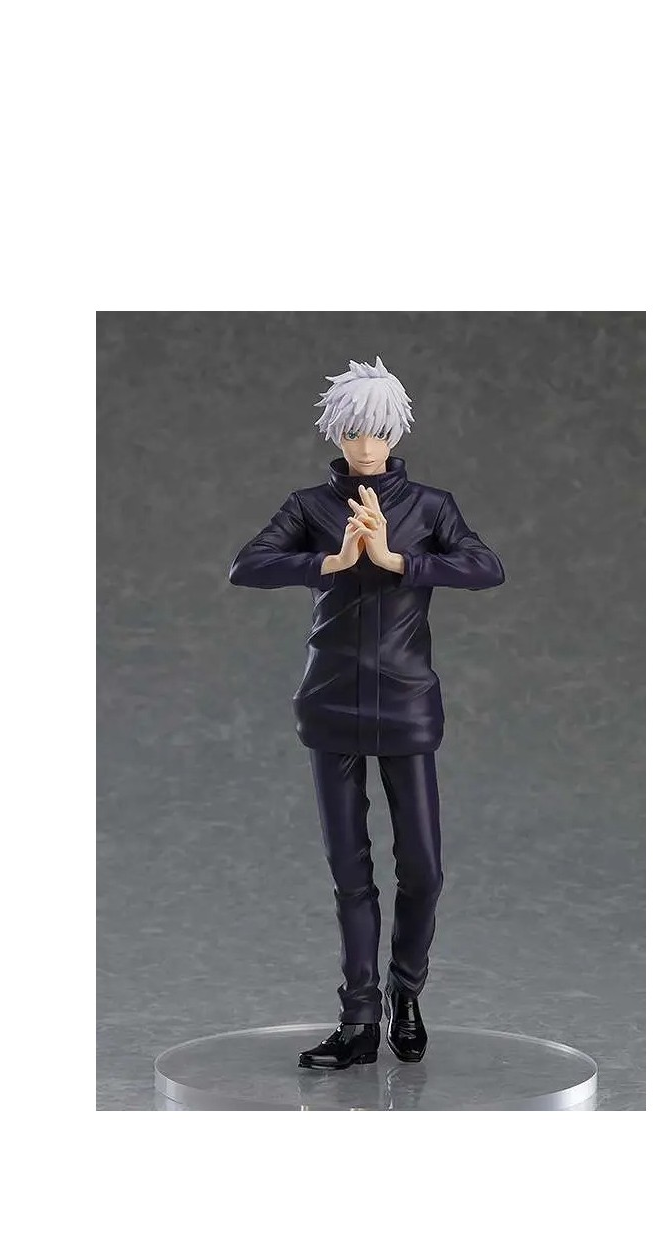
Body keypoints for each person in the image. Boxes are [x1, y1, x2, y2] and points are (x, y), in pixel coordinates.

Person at [228, 357, 505, 1069]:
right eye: (354, 431)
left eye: (378, 430)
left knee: (424, 869)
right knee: (350, 873)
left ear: (397, 431)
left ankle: (405, 995)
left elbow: (486, 567)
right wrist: (328, 561)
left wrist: (397, 560)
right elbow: (247, 565)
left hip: (407, 703)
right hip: (331, 703)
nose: (367, 445)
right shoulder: (309, 506)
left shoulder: (431, 507)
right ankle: (357, 1019)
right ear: (336, 433)